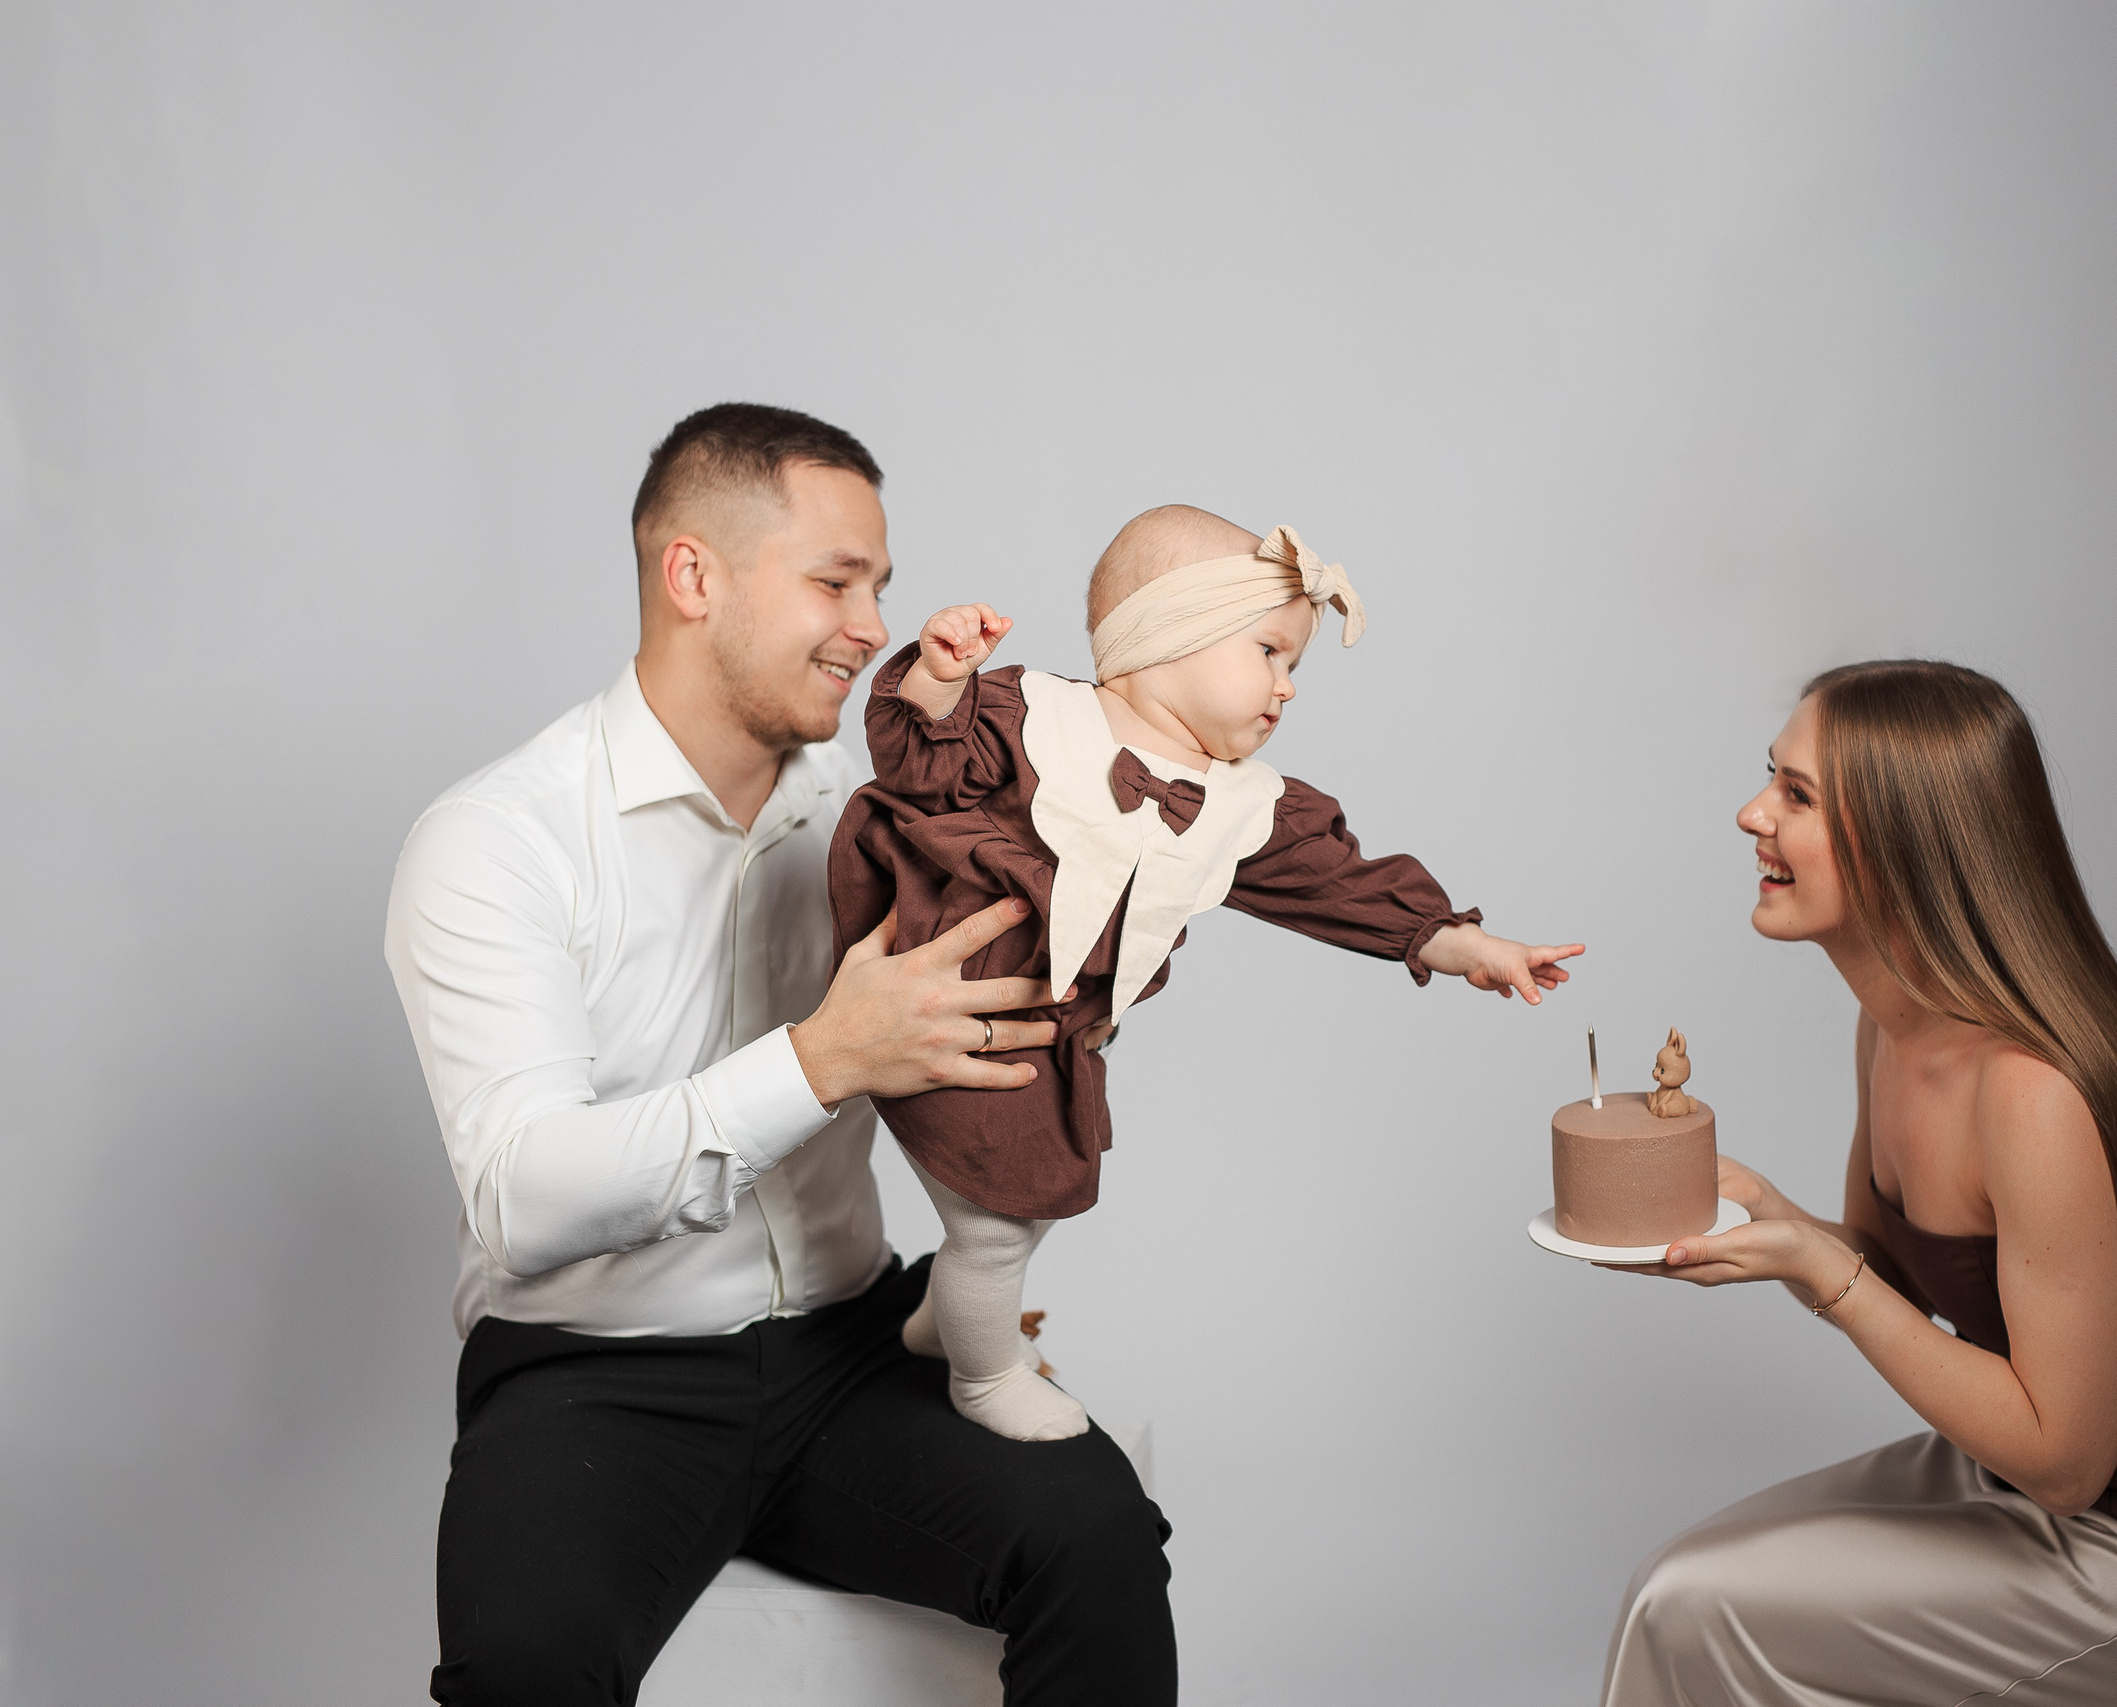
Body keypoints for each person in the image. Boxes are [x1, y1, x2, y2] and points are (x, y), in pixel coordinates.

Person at [383, 403, 1175, 1706]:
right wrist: (820, 1057)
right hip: (594, 1375)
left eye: (882, 584)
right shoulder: (494, 840)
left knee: (1097, 1537)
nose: (873, 626)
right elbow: (525, 1197)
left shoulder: (879, 817)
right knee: (525, 1667)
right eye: (836, 579)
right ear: (692, 575)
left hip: (849, 1349)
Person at [1597, 660, 2117, 1707]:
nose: (1749, 814)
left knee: (1696, 1606)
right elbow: (1897, 1283)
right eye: (1767, 779)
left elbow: (2062, 1461)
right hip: (2034, 1483)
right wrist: (1769, 1223)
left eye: (1797, 796)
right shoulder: (1894, 1026)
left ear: (1911, 839)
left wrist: (1821, 1274)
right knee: (1666, 1597)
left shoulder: (2031, 1093)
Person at [831, 505, 1584, 1440]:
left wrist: (1466, 945)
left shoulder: (1247, 808)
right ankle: (983, 1376)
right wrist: (942, 679)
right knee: (996, 1223)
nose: (1287, 689)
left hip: (1050, 1041)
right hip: (939, 1011)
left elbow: (1341, 886)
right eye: (1270, 653)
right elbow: (922, 766)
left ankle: (940, 1323)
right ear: (1168, 636)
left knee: (1024, 1206)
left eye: (1295, 666)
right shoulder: (1031, 718)